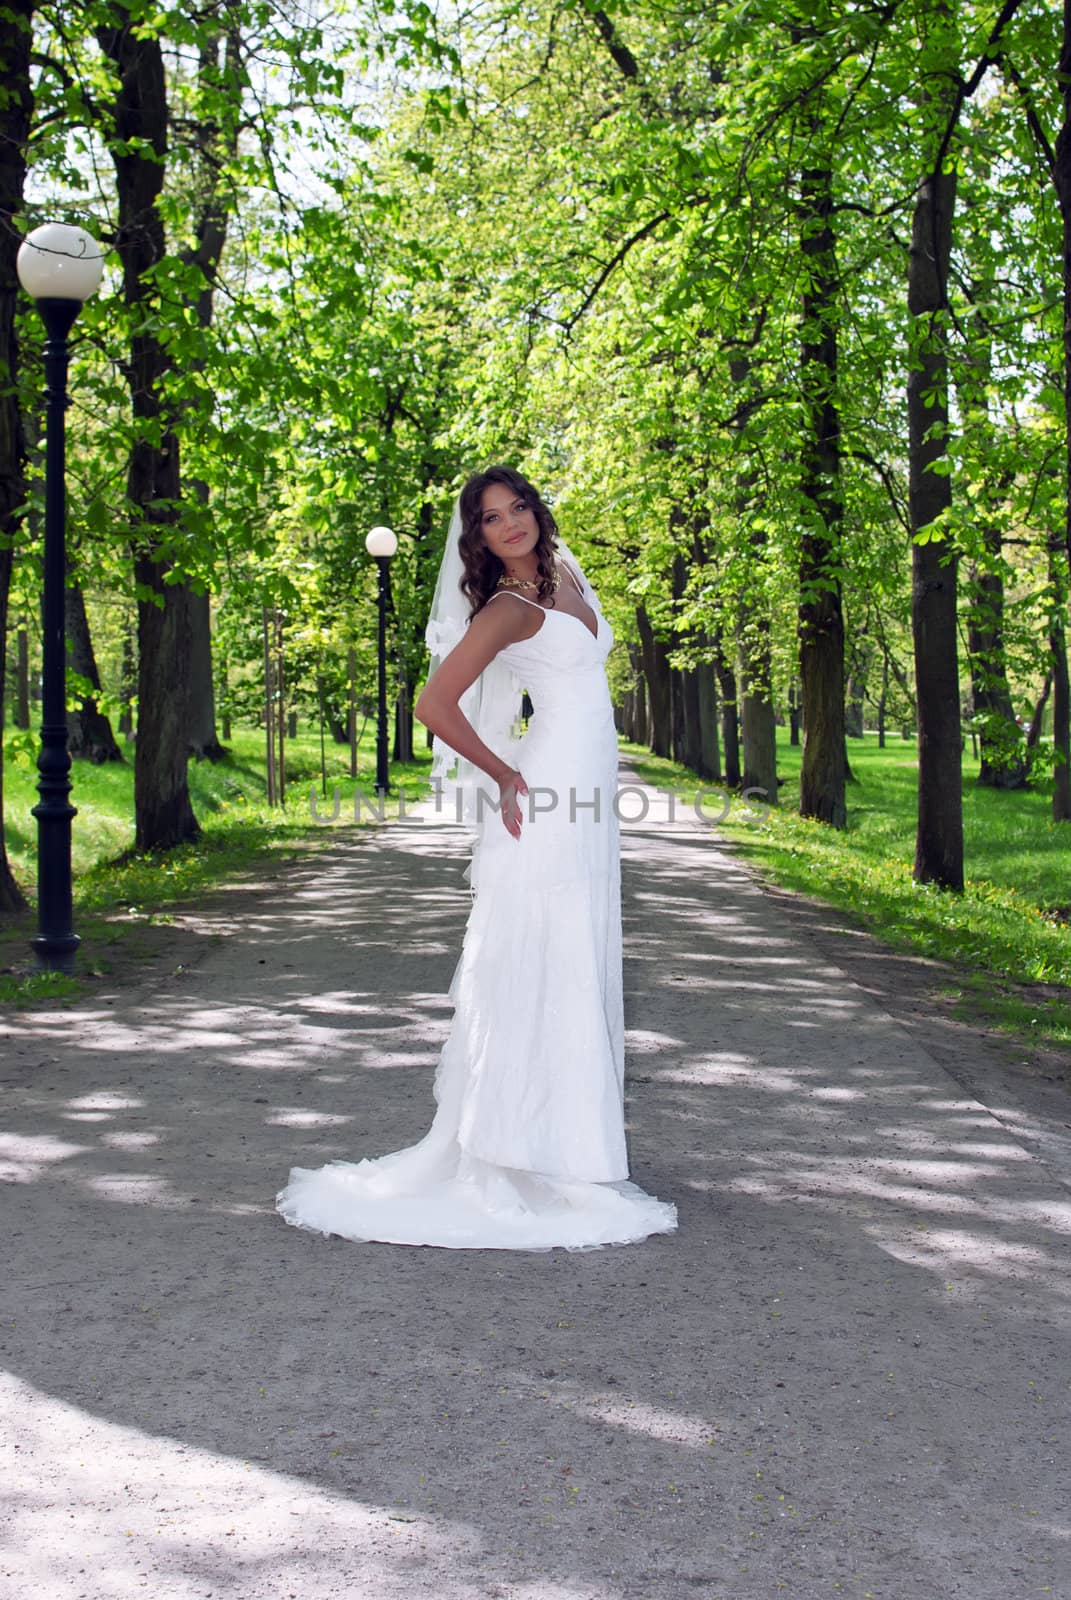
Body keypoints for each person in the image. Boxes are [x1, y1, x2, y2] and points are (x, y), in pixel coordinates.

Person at [276, 466, 677, 1251]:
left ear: (535, 511)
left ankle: (567, 1142)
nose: (511, 523)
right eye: (492, 518)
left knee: (574, 956)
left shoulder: (565, 571)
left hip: (589, 795)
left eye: (518, 506)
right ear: (479, 538)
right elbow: (433, 702)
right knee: (543, 960)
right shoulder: (505, 608)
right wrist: (502, 773)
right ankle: (525, 1150)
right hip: (550, 794)